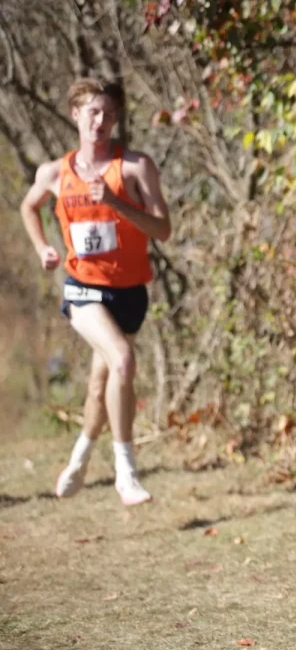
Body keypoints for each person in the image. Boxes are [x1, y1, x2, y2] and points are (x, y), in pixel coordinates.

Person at [18, 76, 172, 505]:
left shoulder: (136, 167)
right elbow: (28, 206)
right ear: (76, 116)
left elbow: (164, 230)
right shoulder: (54, 172)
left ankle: (80, 459)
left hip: (128, 293)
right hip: (83, 290)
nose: (100, 121)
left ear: (116, 119)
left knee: (102, 382)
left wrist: (118, 203)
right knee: (122, 360)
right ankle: (127, 473)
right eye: (92, 112)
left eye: (108, 113)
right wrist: (43, 247)